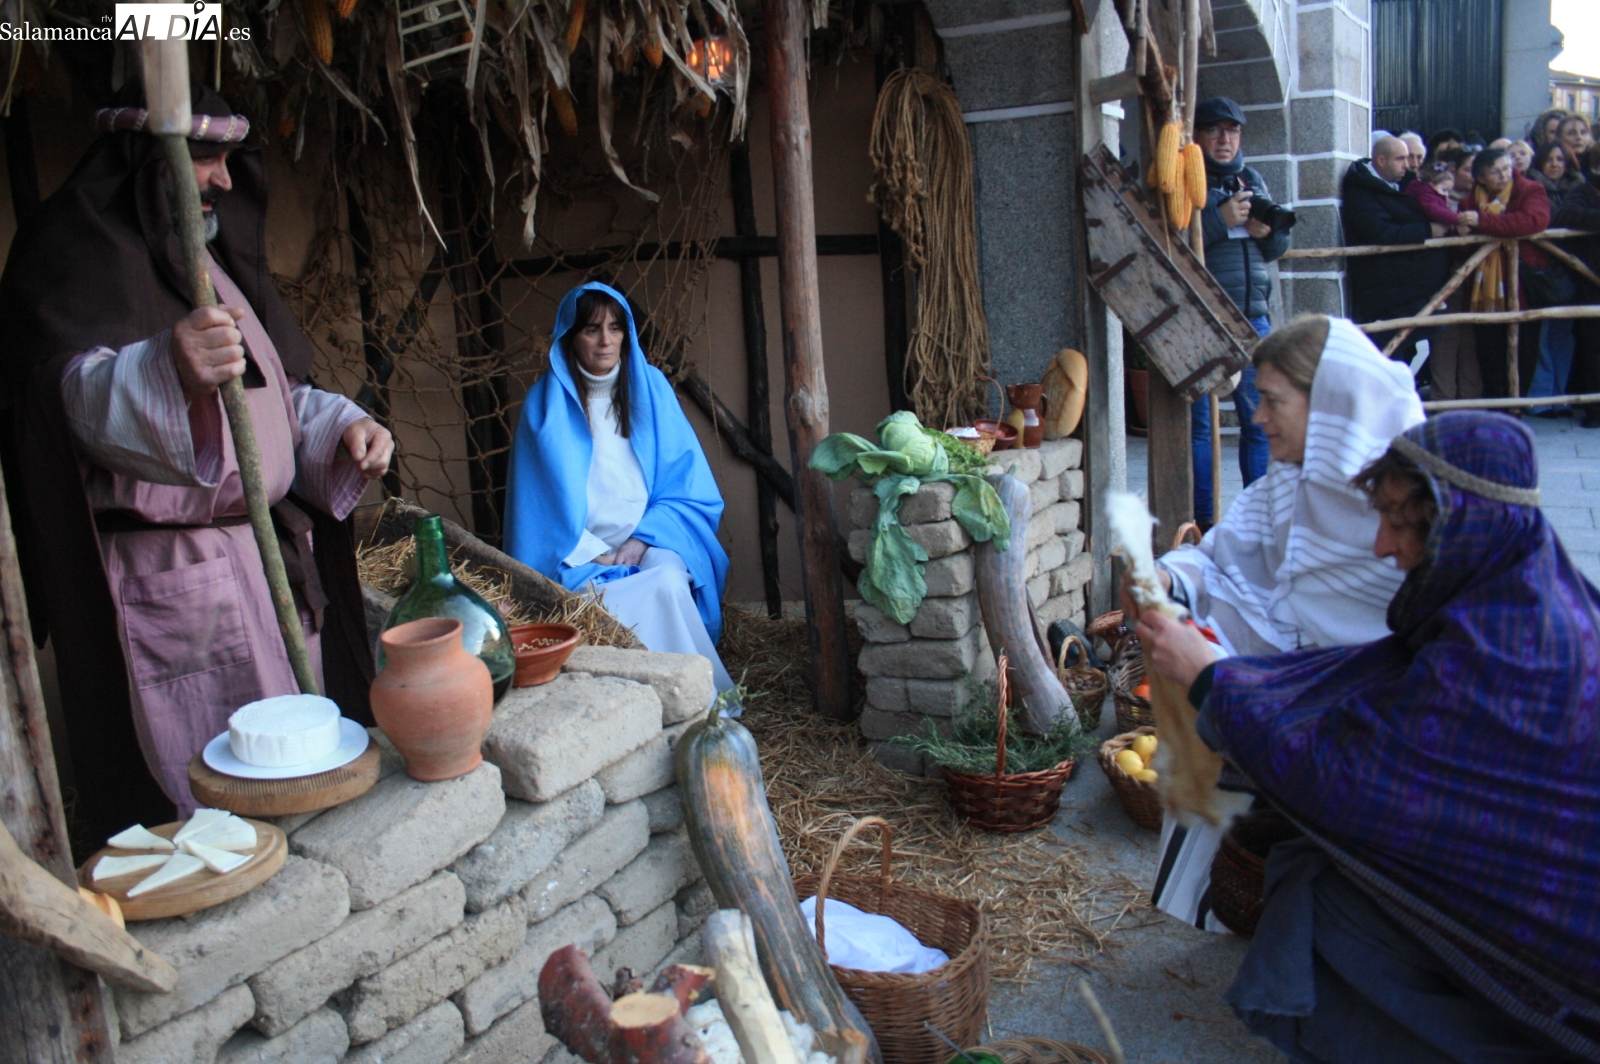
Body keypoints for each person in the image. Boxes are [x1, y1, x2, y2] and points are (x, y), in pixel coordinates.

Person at [1135, 411, 1600, 1062]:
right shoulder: (1526, 597)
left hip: (1572, 986)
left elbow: (1349, 780)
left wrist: (1214, 678)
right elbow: (1366, 692)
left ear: (1458, 530)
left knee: (1313, 898)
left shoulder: (1503, 660)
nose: (1382, 544)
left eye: (1398, 523)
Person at [0, 84, 386, 841]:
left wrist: (340, 427)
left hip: (269, 565)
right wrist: (161, 371)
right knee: (216, 815)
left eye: (229, 158)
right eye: (207, 157)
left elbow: (270, 402)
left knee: (302, 794)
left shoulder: (213, 269)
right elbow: (67, 404)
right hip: (174, 586)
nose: (226, 180)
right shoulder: (71, 261)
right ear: (147, 163)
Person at [1133, 315, 1425, 931]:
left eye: (1271, 401)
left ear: (1332, 404)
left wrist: (1232, 676)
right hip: (1299, 701)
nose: (1258, 419)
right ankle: (1242, 893)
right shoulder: (1291, 483)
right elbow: (1224, 554)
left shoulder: (1411, 504)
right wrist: (1170, 579)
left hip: (1376, 733)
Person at [504, 281, 737, 702]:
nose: (605, 340)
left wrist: (641, 538)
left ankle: (699, 696)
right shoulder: (543, 406)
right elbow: (537, 513)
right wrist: (597, 553)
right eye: (592, 329)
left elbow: (687, 484)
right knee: (647, 588)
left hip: (652, 535)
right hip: (575, 556)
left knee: (667, 577)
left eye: (615, 328)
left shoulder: (651, 388)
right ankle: (677, 702)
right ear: (570, 337)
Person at [1191, 96, 1285, 527]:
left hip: (1254, 317)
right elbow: (1171, 243)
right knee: (1200, 428)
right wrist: (1219, 217)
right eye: (1215, 130)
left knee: (1259, 420)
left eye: (1233, 131)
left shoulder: (1252, 178)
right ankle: (1205, 522)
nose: (1225, 139)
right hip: (1201, 318)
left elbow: (1277, 249)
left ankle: (1256, 521)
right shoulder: (1189, 182)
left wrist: (1266, 232)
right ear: (1198, 135)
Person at [1340, 136, 1451, 372]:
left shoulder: (1398, 184)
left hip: (1404, 288)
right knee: (1386, 356)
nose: (1408, 164)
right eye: (1401, 158)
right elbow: (1381, 232)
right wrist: (1427, 230)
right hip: (1388, 291)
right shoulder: (1361, 192)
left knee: (1398, 352)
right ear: (1381, 160)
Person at [1462, 147, 1553, 397]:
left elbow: (1533, 220)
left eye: (1506, 167)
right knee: (1489, 355)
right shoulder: (1470, 201)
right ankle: (1495, 409)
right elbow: (1462, 245)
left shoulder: (1529, 189)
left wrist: (1483, 222)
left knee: (1524, 353)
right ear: (1480, 178)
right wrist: (1461, 231)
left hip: (1523, 285)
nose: (1504, 175)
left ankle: (1516, 411)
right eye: (1495, 172)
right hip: (1482, 294)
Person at [1526, 142, 1588, 414]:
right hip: (1544, 271)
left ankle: (1560, 395)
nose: (1554, 164)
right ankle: (1541, 399)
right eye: (1549, 159)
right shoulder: (1533, 189)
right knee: (1543, 336)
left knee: (1565, 337)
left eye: (1560, 159)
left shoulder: (1579, 189)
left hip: (1577, 271)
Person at [1403, 162, 1472, 227]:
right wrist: (1458, 219)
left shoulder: (1434, 196)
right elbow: (1437, 212)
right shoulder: (1427, 197)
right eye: (1444, 190)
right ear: (1431, 185)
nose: (1446, 194)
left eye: (1448, 191)